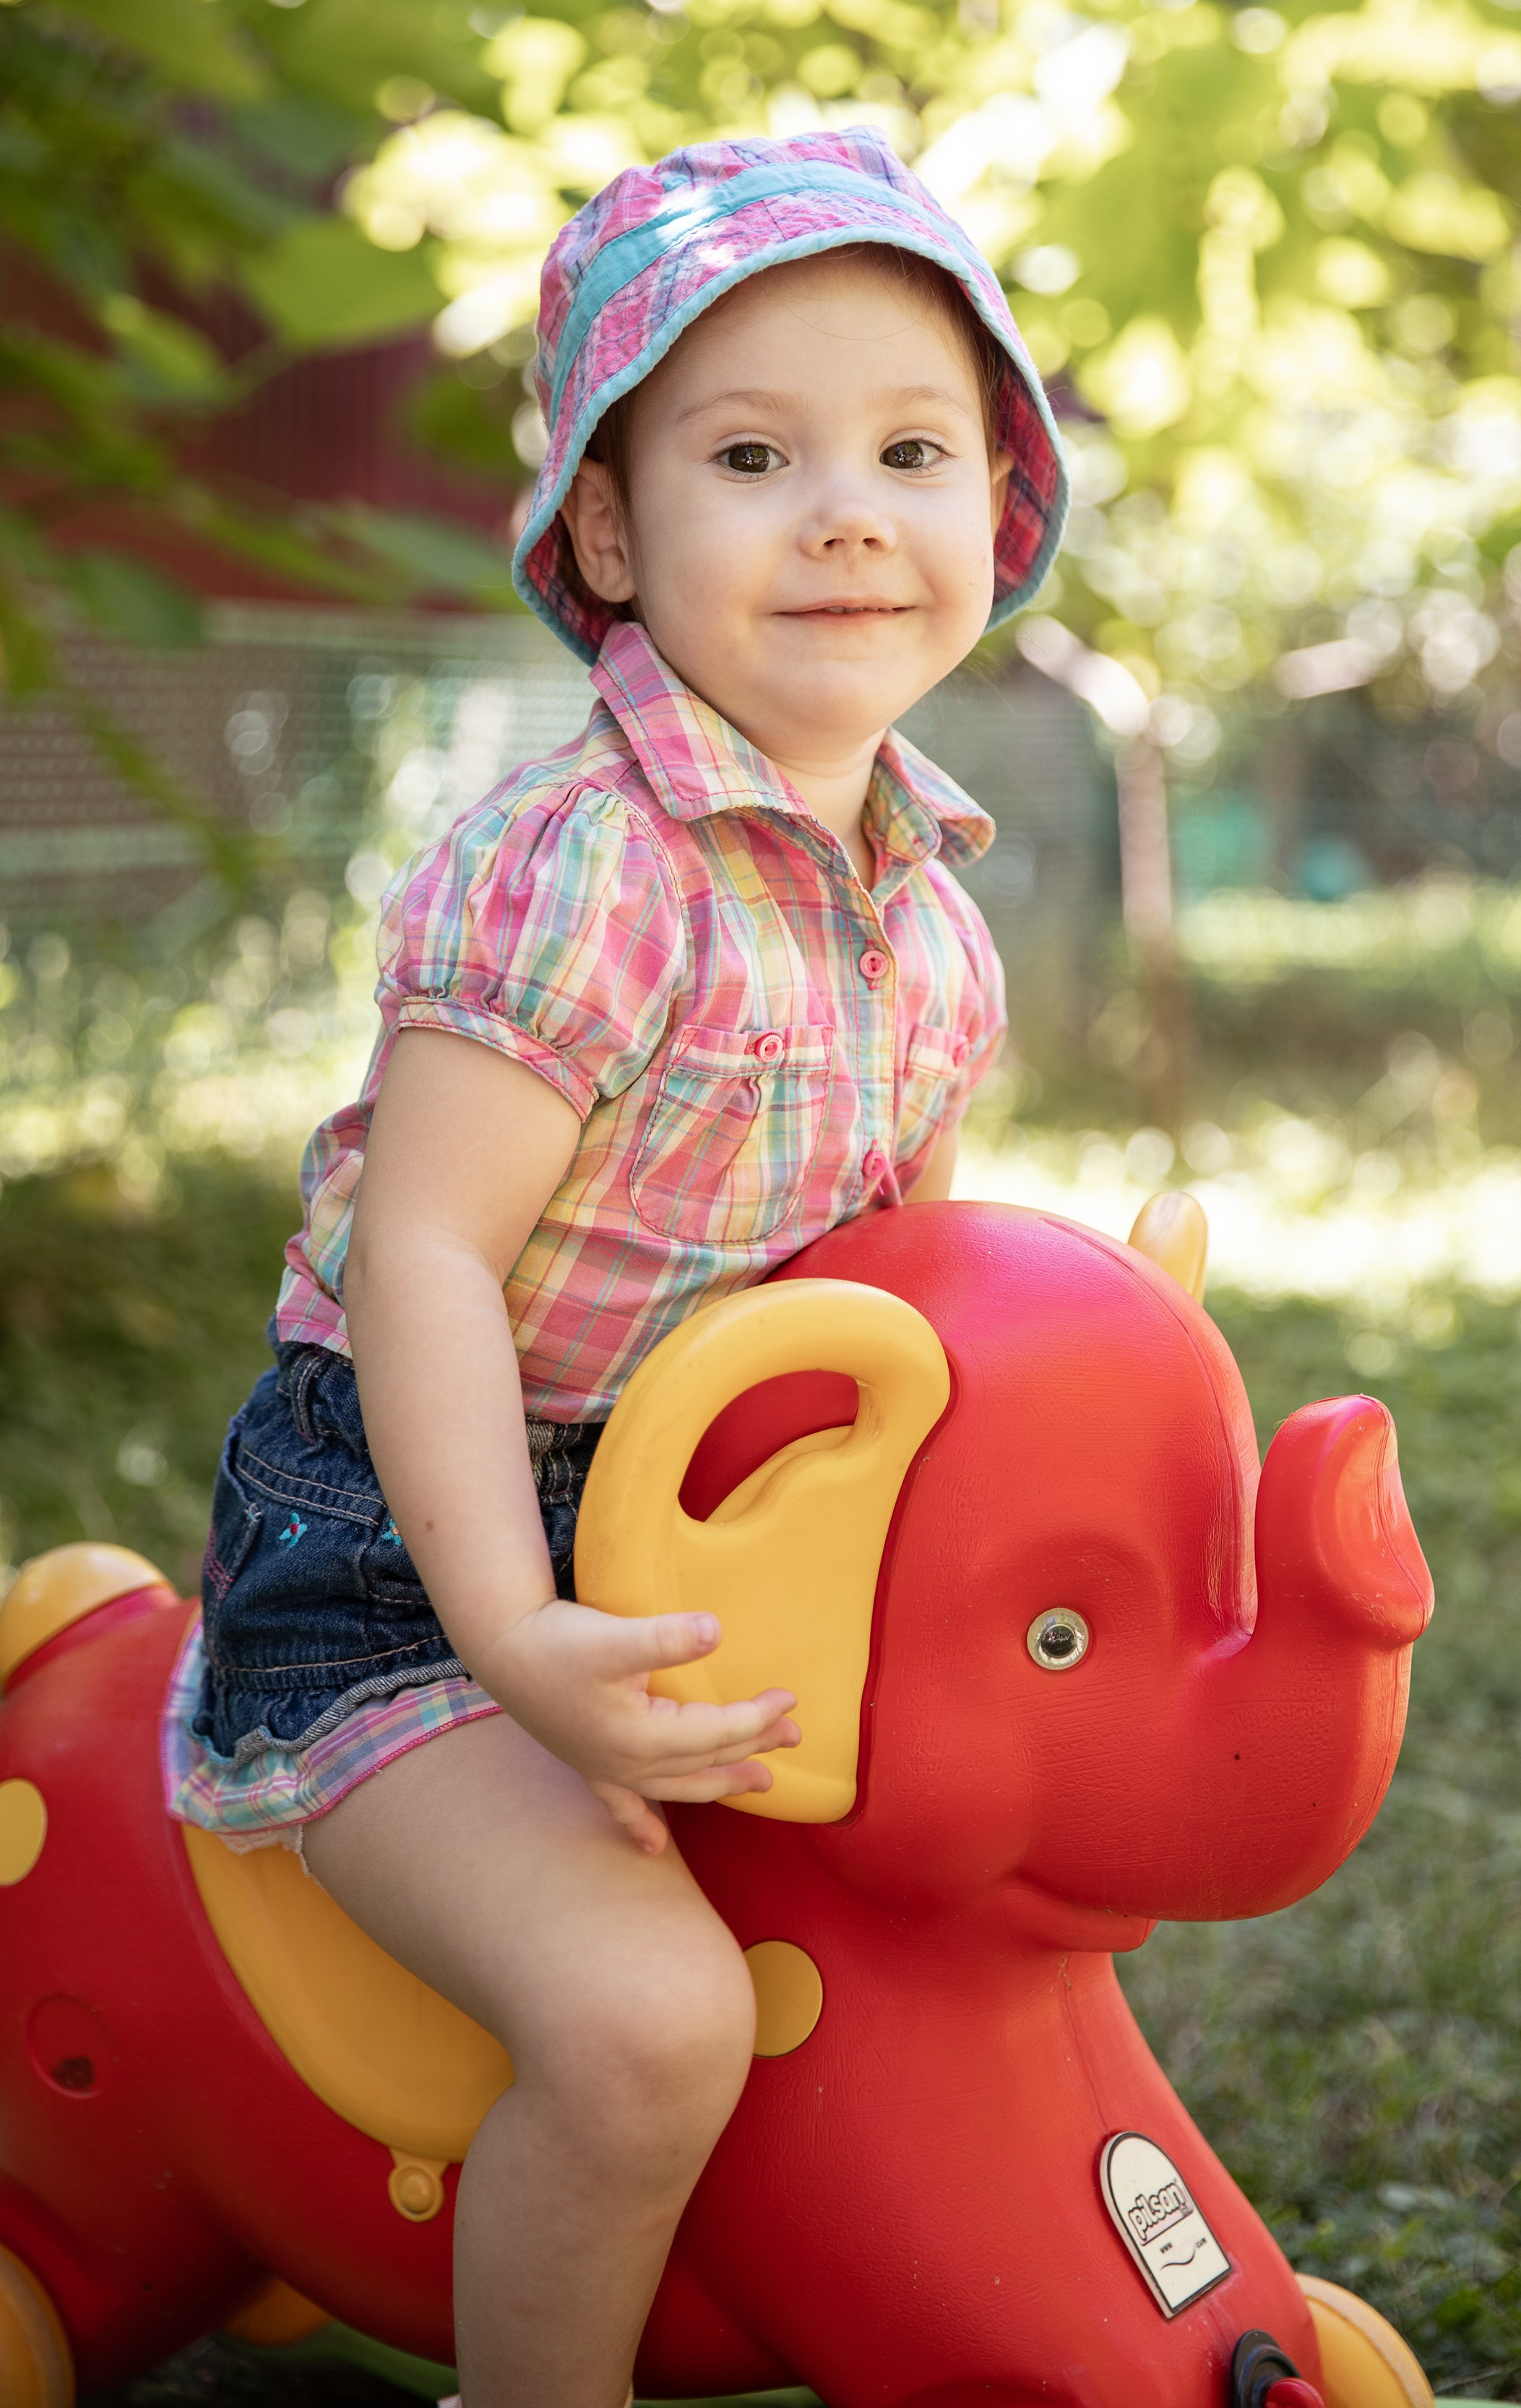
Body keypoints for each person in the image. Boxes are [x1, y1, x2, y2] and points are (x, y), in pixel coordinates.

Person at [165, 126, 1067, 2407]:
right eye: (751, 457)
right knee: (652, 2019)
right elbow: (424, 1263)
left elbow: (895, 1317)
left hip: (704, 1551)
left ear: (997, 508)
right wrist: (510, 1630)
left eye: (910, 451)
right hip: (410, 1550)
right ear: (602, 531)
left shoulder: (933, 930)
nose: (844, 513)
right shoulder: (578, 870)